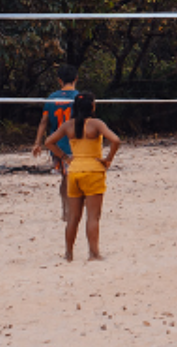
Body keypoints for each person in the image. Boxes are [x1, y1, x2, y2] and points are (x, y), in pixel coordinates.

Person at [43, 91, 121, 261]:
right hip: (93, 171)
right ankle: (93, 253)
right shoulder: (96, 124)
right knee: (93, 217)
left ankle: (68, 253)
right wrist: (108, 159)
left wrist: (65, 157)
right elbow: (116, 140)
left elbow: (48, 142)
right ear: (92, 106)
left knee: (73, 217)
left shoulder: (68, 125)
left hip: (74, 170)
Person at [29, 58, 79, 222]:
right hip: (74, 145)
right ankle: (71, 209)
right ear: (76, 78)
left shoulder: (51, 98)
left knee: (66, 177)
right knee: (72, 178)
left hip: (56, 145)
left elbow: (43, 122)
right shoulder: (79, 98)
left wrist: (37, 143)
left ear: (59, 80)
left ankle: (66, 209)